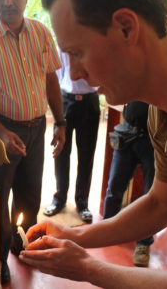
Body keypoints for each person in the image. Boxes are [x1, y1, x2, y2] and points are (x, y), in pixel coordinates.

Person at [19, 0, 167, 288]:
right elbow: (163, 203)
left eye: (77, 52)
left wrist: (88, 269)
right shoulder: (162, 110)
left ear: (126, 28)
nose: (73, 74)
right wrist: (74, 236)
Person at [0, 0, 65, 284]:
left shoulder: (41, 32)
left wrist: (60, 122)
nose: (8, 2)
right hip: (0, 130)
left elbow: (50, 80)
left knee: (30, 193)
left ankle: (22, 245)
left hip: (36, 128)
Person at [43, 50, 99, 223]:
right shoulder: (63, 43)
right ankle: (59, 198)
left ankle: (82, 203)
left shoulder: (93, 42)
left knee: (86, 155)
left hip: (90, 101)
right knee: (60, 152)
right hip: (66, 100)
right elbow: (57, 73)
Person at [103, 102, 155, 267]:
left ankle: (143, 243)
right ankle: (106, 229)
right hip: (127, 133)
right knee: (114, 188)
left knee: (151, 196)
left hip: (154, 139)